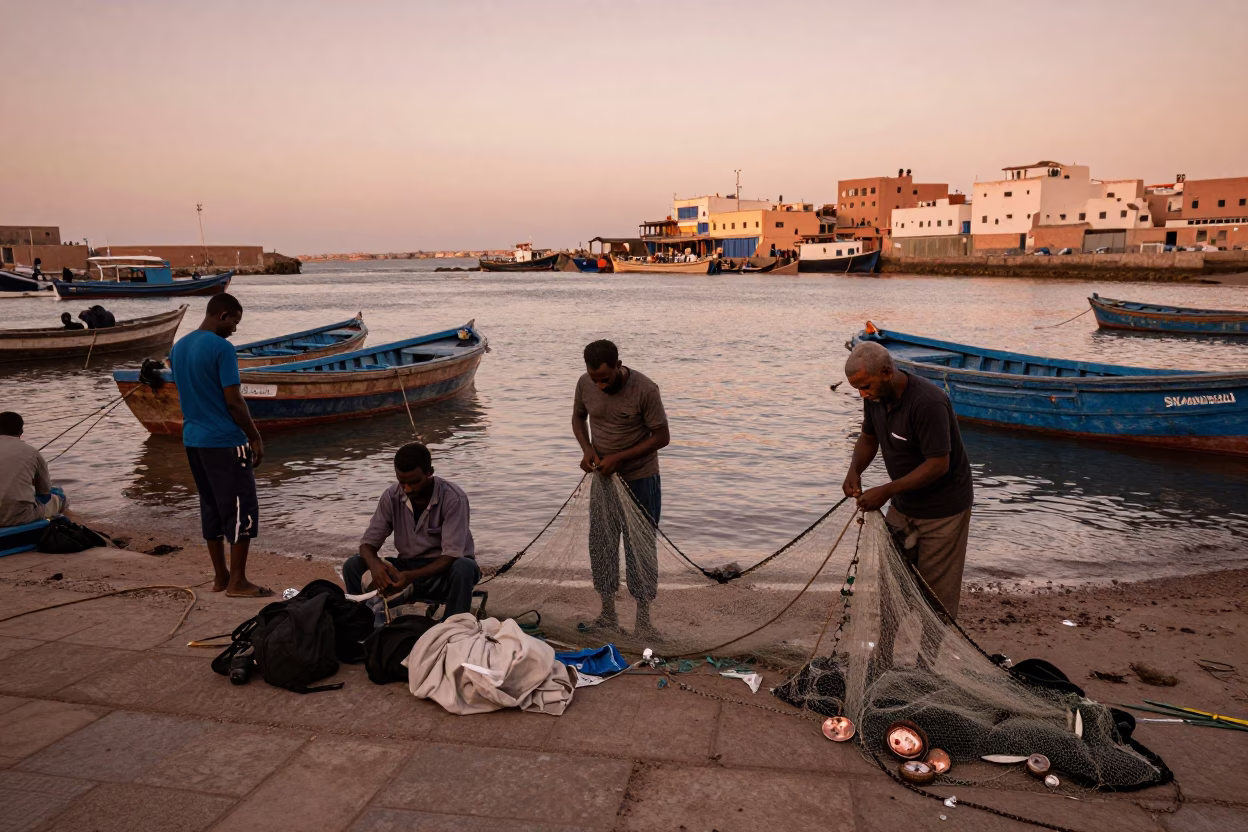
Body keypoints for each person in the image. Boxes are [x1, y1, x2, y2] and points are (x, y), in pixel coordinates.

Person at [842, 341, 974, 623]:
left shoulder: (928, 402)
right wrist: (854, 470)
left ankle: (925, 666)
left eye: (865, 387)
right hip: (904, 505)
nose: (862, 394)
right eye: (857, 389)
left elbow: (938, 465)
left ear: (887, 373)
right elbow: (868, 437)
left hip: (944, 511)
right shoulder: (874, 398)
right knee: (891, 584)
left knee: (935, 596)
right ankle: (883, 659)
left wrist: (886, 491)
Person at [169, 292, 268, 596]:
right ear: (223, 315)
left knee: (211, 505)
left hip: (194, 440)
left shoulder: (178, 348)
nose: (235, 330)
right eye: (234, 322)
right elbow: (234, 400)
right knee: (241, 508)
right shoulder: (222, 348)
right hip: (225, 440)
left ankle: (220, 577)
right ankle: (238, 581)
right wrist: (254, 435)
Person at [572, 339, 670, 636]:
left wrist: (620, 458)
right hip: (603, 480)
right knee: (601, 544)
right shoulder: (584, 384)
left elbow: (662, 436)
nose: (600, 386)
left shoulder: (645, 389)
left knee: (640, 548)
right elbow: (578, 417)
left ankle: (643, 620)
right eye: (595, 379)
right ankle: (608, 614)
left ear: (619, 365)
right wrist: (587, 449)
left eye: (606, 378)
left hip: (641, 479)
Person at [342, 442, 480, 617]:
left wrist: (410, 576)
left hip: (443, 572)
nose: (407, 489)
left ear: (429, 472)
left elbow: (451, 556)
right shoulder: (391, 496)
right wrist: (376, 566)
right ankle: (362, 623)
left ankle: (454, 627)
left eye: (414, 482)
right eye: (402, 482)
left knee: (465, 567)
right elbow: (367, 545)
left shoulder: (453, 498)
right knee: (353, 564)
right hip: (407, 568)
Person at [0, 412, 69, 527]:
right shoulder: (32, 452)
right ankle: (75, 522)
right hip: (19, 518)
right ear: (21, 432)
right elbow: (45, 492)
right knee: (59, 498)